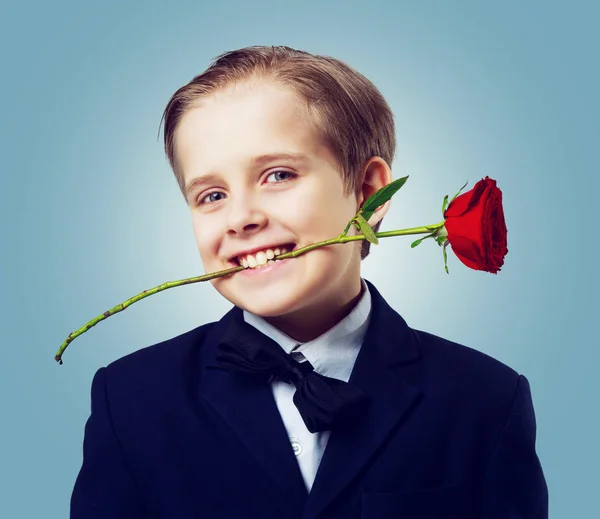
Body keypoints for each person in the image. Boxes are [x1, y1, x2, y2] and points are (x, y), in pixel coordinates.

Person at [70, 45, 548, 518]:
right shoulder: (131, 399)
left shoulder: (484, 399)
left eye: (278, 175)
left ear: (369, 191)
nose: (240, 218)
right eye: (212, 195)